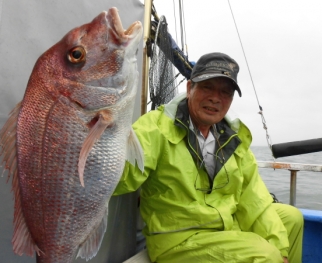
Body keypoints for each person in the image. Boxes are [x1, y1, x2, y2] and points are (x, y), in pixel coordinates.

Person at [114, 52, 303, 263]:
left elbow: (254, 199)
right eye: (207, 87)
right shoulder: (155, 126)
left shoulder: (233, 138)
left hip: (222, 226)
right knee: (265, 256)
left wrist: (282, 251)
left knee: (292, 218)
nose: (215, 98)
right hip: (178, 238)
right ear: (189, 88)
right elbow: (121, 176)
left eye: (225, 92)